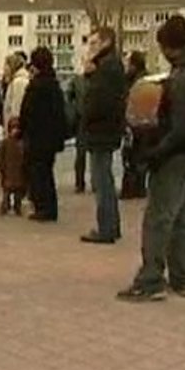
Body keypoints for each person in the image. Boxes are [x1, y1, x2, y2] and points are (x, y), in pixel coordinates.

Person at [117, 16, 185, 302]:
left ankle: (150, 279)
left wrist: (153, 153)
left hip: (174, 154)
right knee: (183, 218)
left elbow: (179, 125)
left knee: (159, 218)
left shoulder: (184, 78)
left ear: (168, 47)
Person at [80, 27, 127, 244]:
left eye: (94, 43)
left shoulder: (107, 68)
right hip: (105, 129)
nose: (90, 48)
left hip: (101, 130)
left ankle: (106, 227)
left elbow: (99, 101)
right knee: (103, 178)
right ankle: (111, 225)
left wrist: (89, 77)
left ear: (105, 42)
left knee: (102, 180)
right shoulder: (110, 66)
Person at [20, 47, 68, 222]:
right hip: (51, 137)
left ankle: (43, 208)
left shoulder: (36, 86)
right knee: (47, 171)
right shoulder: (54, 84)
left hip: (37, 136)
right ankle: (50, 207)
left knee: (38, 173)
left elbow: (27, 111)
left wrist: (22, 129)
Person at [120, 51, 150, 200]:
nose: (125, 66)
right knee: (134, 156)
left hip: (137, 123)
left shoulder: (139, 82)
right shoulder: (137, 79)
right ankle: (136, 187)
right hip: (139, 123)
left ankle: (133, 188)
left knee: (133, 156)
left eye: (127, 63)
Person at [0, 118, 27, 215]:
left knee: (17, 193)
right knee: (7, 192)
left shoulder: (22, 144)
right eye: (13, 127)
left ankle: (17, 207)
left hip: (18, 173)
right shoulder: (6, 143)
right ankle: (5, 206)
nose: (15, 130)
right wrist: (0, 169)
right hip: (8, 172)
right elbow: (0, 157)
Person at [65, 71, 88, 193]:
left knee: (97, 154)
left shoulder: (99, 80)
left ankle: (83, 182)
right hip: (82, 120)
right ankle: (80, 182)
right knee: (81, 153)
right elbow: (69, 97)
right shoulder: (78, 80)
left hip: (93, 120)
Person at [2, 52, 30, 130]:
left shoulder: (19, 82)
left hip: (15, 131)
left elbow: (16, 108)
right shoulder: (16, 81)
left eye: (6, 65)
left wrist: (13, 129)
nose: (4, 69)